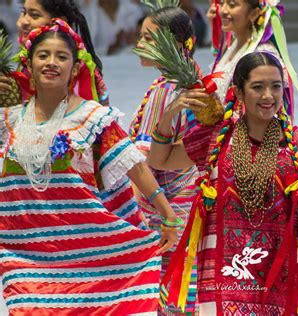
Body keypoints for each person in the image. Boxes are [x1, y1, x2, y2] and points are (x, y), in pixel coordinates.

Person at [148, 51, 298, 315]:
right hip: (226, 272)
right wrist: (168, 115)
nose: (268, 96)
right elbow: (160, 160)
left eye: (276, 86)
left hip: (280, 271)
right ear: (238, 92)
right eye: (257, 87)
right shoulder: (216, 139)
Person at [0, 19, 178, 314]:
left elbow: (135, 166)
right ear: (28, 65)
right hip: (25, 255)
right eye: (43, 55)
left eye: (61, 56)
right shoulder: (8, 121)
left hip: (89, 256)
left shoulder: (92, 118)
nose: (51, 62)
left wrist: (168, 215)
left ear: (74, 68)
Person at [129, 5, 199, 315]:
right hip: (178, 205)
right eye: (140, 36)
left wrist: (161, 214)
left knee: (176, 297)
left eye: (148, 38)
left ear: (174, 44)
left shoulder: (171, 91)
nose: (139, 45)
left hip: (170, 209)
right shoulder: (182, 84)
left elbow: (152, 163)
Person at [0, 0, 109, 106]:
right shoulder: (25, 60)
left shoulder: (77, 68)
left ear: (59, 21)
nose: (23, 21)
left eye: (34, 15)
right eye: (23, 12)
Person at [206, 0, 298, 117]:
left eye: (232, 5)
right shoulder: (233, 45)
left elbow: (269, 108)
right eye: (221, 3)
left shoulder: (262, 54)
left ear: (254, 14)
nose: (223, 10)